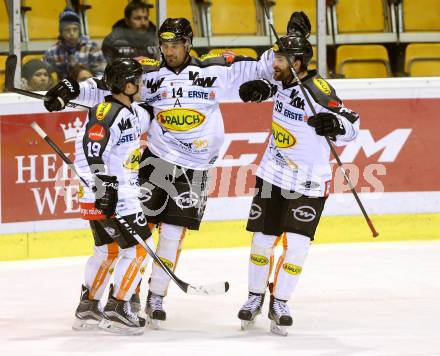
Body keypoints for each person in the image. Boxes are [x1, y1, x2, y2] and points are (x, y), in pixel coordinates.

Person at [42, 17, 274, 329]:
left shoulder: (215, 66)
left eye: (175, 44)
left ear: (188, 43)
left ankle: (157, 296)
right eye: (164, 44)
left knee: (174, 236)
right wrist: (70, 89)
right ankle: (128, 294)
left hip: (197, 168)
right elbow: (104, 85)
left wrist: (275, 70)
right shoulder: (147, 70)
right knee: (138, 233)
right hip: (157, 161)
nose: (169, 50)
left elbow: (264, 67)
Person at [236, 28, 361, 335]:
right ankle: (254, 298)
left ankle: (280, 301)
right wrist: (254, 91)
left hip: (309, 181)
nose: (275, 63)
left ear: (300, 62)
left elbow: (352, 126)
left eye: (281, 58)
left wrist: (334, 124)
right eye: (276, 56)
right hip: (272, 174)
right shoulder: (278, 82)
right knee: (262, 241)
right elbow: (264, 87)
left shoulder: (318, 89)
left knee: (298, 246)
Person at [71, 58, 153, 335]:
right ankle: (119, 307)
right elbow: (93, 148)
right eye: (138, 81)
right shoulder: (107, 111)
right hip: (113, 194)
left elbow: (149, 115)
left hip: (102, 193)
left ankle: (88, 306)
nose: (142, 85)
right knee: (139, 249)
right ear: (128, 85)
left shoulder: (132, 111)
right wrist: (104, 185)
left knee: (107, 250)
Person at [43, 7, 106, 79]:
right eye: (67, 30)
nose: (72, 33)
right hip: (64, 88)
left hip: (88, 87)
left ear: (79, 31)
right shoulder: (52, 52)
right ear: (61, 33)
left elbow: (101, 74)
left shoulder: (93, 48)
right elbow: (44, 75)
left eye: (75, 29)